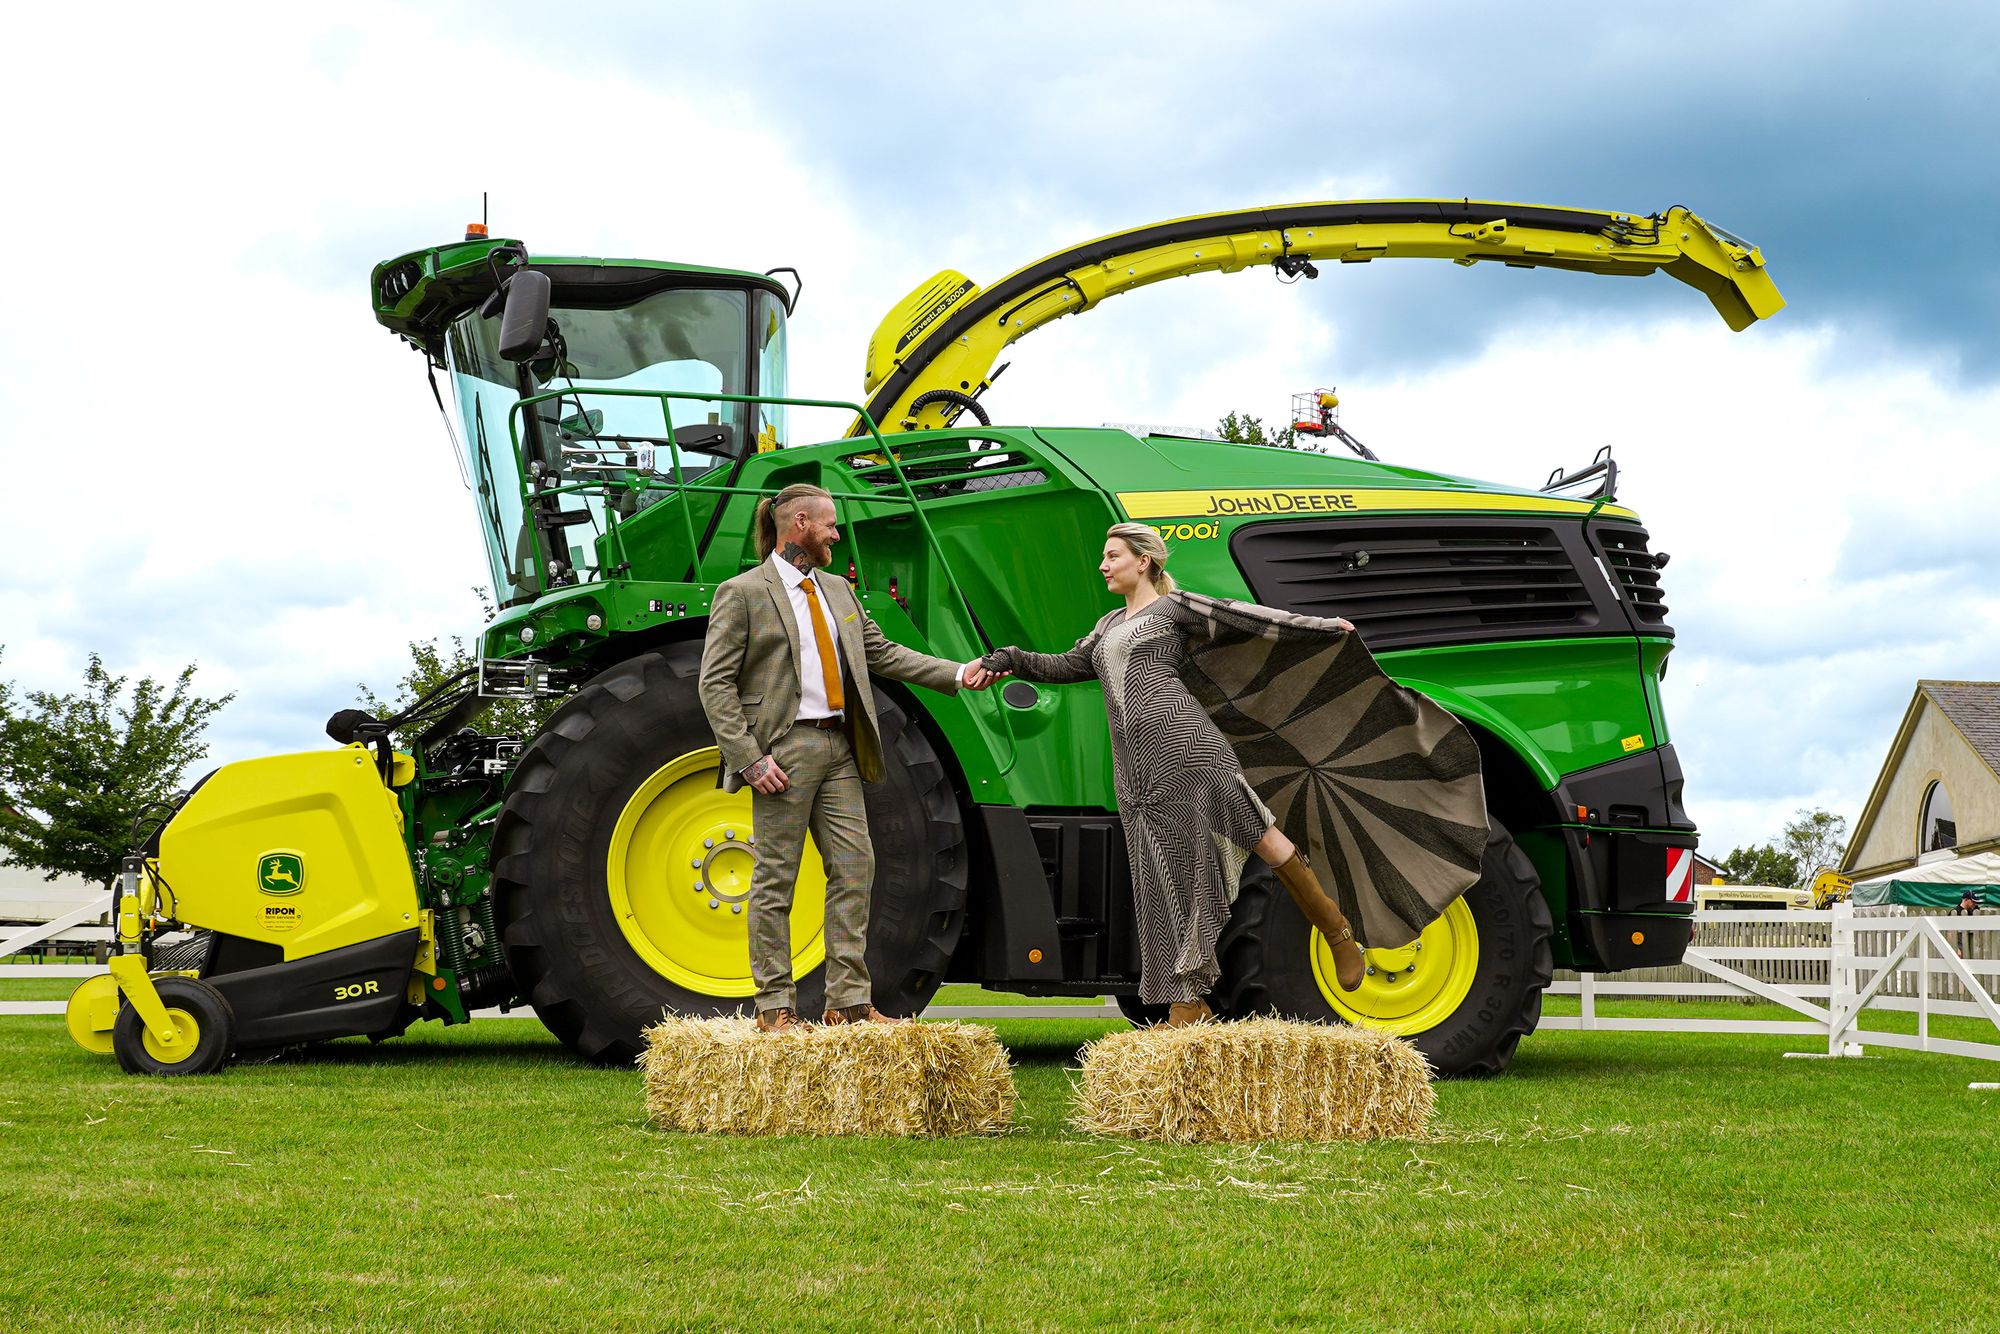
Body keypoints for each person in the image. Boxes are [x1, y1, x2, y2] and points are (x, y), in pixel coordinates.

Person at [981, 523, 1488, 1025]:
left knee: (1257, 838)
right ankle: (1191, 1000)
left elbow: (1249, 621)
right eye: (1104, 557)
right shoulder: (1109, 626)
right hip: (1137, 774)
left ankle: (1333, 934)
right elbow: (1065, 666)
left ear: (1144, 561)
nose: (1103, 565)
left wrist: (1319, 626)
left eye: (1112, 556)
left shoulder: (1174, 610)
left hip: (1190, 752)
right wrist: (1010, 659)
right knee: (1163, 881)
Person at [698, 482, 998, 1033]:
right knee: (775, 881)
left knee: (857, 869)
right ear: (802, 525)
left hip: (840, 746)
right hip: (781, 751)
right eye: (831, 525)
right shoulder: (742, 592)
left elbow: (880, 652)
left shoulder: (837, 588)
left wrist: (956, 673)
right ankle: (775, 1010)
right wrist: (748, 758)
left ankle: (848, 1004)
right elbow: (714, 684)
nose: (838, 534)